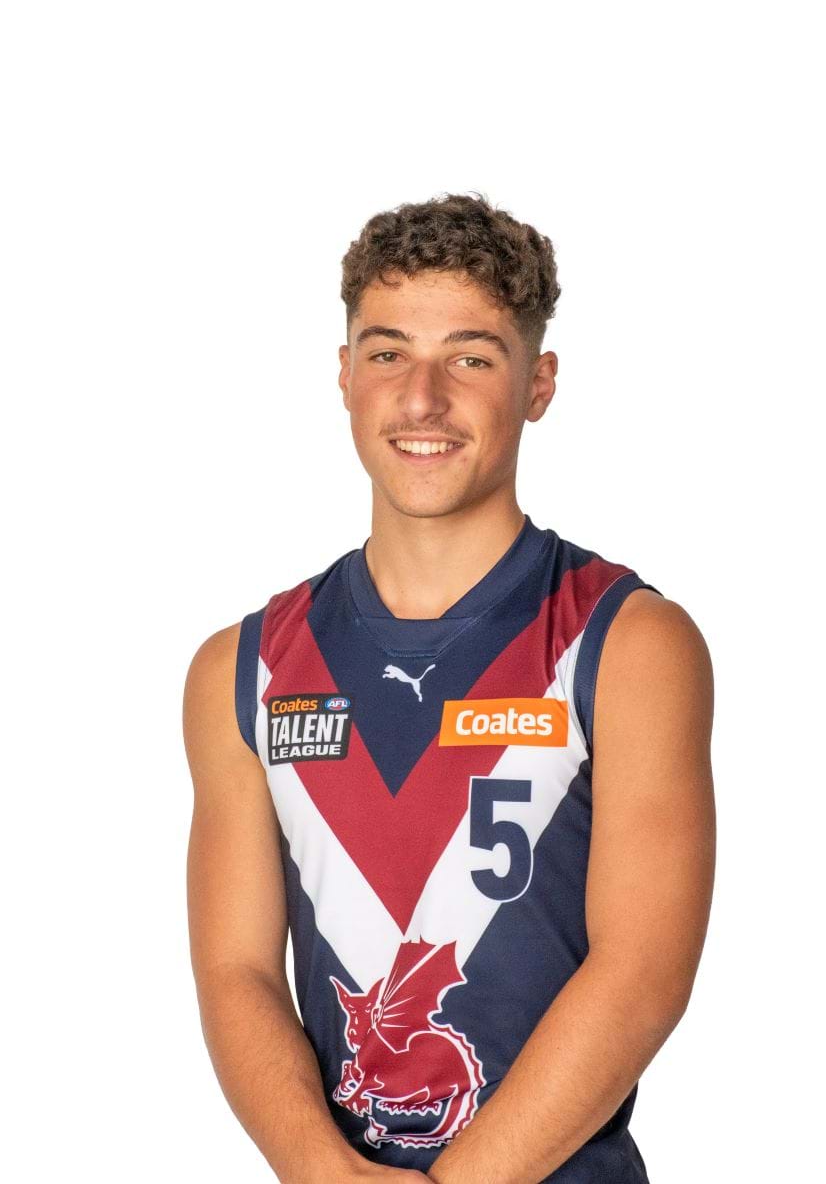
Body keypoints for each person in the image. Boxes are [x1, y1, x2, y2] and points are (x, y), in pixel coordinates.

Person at [183, 192, 716, 1183]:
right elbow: (236, 970)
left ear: (538, 384)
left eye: (470, 358)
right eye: (388, 353)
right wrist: (324, 1170)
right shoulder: (243, 667)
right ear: (345, 376)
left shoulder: (630, 643)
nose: (422, 398)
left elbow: (642, 974)